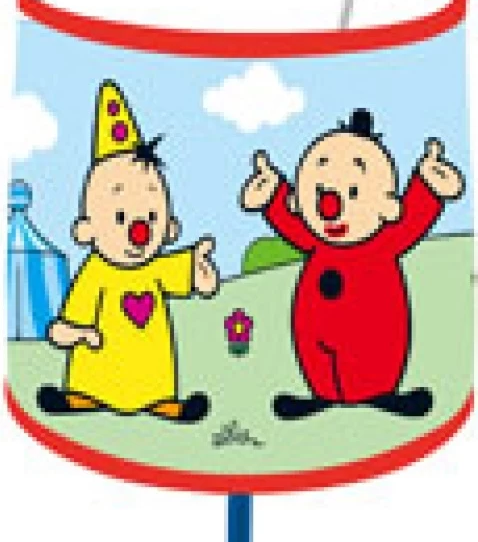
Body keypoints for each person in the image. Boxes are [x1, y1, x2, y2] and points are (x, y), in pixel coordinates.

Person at [241, 109, 464, 419]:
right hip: (315, 339)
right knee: (318, 358)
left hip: (373, 340)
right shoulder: (314, 240)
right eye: (320, 193)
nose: (330, 208)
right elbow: (291, 224)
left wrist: (429, 186)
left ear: (385, 203)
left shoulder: (384, 242)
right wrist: (272, 194)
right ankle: (322, 394)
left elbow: (412, 218)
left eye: (353, 193)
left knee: (372, 353)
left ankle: (380, 393)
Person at [38, 80, 218, 422]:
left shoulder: (154, 268)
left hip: (151, 377)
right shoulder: (95, 273)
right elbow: (69, 321)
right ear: (87, 229)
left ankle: (162, 401)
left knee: (156, 384)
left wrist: (200, 268)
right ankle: (81, 397)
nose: (140, 230)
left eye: (151, 216)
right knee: (89, 385)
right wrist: (78, 332)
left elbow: (186, 274)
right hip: (98, 373)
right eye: (120, 217)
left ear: (168, 227)